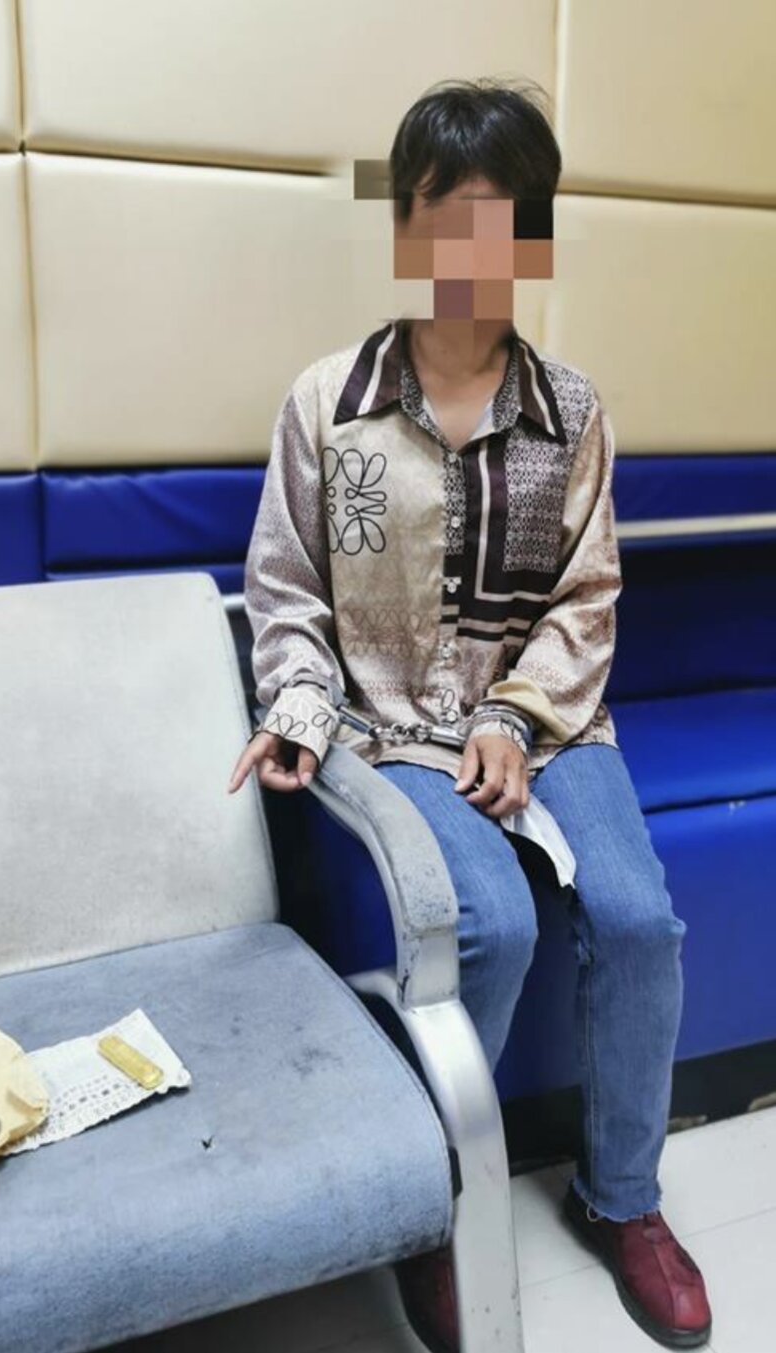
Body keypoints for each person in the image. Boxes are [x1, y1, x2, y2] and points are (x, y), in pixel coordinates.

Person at [227, 76, 712, 1352]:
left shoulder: (573, 412)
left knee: (640, 922)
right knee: (487, 926)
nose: (467, 253)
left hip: (548, 721)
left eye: (499, 222)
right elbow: (284, 592)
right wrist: (298, 707)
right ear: (405, 224)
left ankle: (622, 1199)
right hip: (391, 726)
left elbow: (585, 598)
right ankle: (432, 1204)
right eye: (441, 217)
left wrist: (511, 716)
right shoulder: (327, 403)